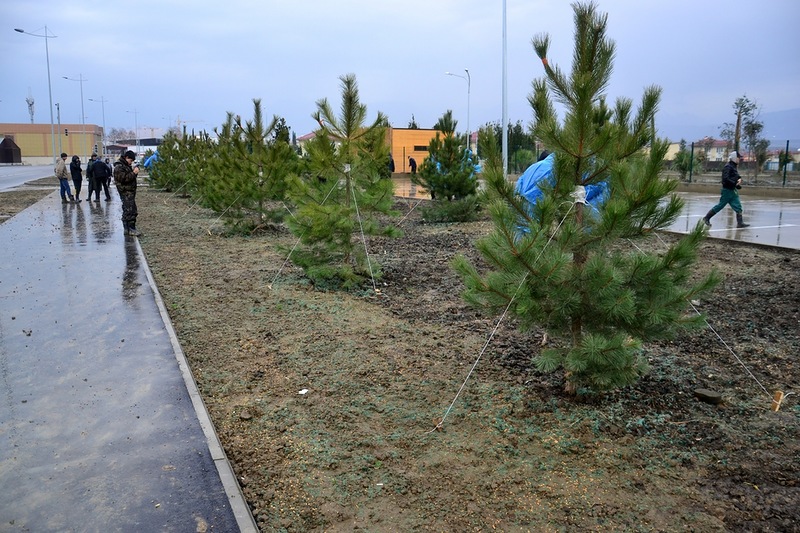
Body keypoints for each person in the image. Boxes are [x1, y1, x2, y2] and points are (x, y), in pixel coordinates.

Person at [702, 150, 750, 228]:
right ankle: (706, 218)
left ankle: (740, 223)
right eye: (738, 157)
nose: (739, 159)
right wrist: (735, 183)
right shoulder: (728, 167)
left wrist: (739, 179)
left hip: (733, 190)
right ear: (734, 158)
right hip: (727, 191)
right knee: (720, 205)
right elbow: (725, 179)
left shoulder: (733, 166)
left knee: (738, 207)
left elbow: (736, 176)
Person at [114, 150, 142, 236]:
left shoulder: (125, 166)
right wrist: (134, 173)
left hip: (129, 192)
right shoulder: (119, 167)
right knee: (130, 211)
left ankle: (127, 229)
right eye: (131, 160)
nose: (131, 162)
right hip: (126, 192)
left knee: (128, 210)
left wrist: (134, 173)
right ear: (126, 158)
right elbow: (124, 179)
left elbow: (129, 177)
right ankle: (131, 229)